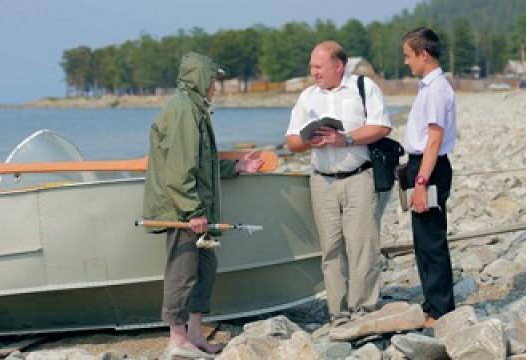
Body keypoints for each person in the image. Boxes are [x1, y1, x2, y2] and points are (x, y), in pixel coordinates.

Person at [143, 52, 263, 358]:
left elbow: (203, 164)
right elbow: (180, 170)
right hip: (182, 212)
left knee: (205, 269)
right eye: (212, 80)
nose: (215, 87)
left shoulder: (196, 109)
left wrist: (236, 168)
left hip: (197, 211)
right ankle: (176, 338)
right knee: (182, 273)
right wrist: (193, 210)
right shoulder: (184, 111)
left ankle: (195, 334)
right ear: (200, 79)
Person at [286, 41, 392, 326]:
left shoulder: (363, 87)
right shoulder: (307, 96)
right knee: (331, 248)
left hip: (359, 176)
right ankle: (339, 313)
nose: (313, 72)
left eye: (318, 67)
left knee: (362, 246)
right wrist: (309, 140)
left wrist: (344, 138)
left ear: (338, 66)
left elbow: (381, 126)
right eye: (312, 67)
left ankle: (364, 310)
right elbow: (292, 140)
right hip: (321, 181)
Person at [402, 27, 457, 327]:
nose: (407, 62)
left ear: (424, 54)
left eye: (409, 56)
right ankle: (431, 303)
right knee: (422, 239)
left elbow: (434, 139)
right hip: (422, 165)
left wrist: (421, 182)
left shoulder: (436, 89)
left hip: (429, 167)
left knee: (432, 239)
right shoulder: (428, 87)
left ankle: (440, 310)